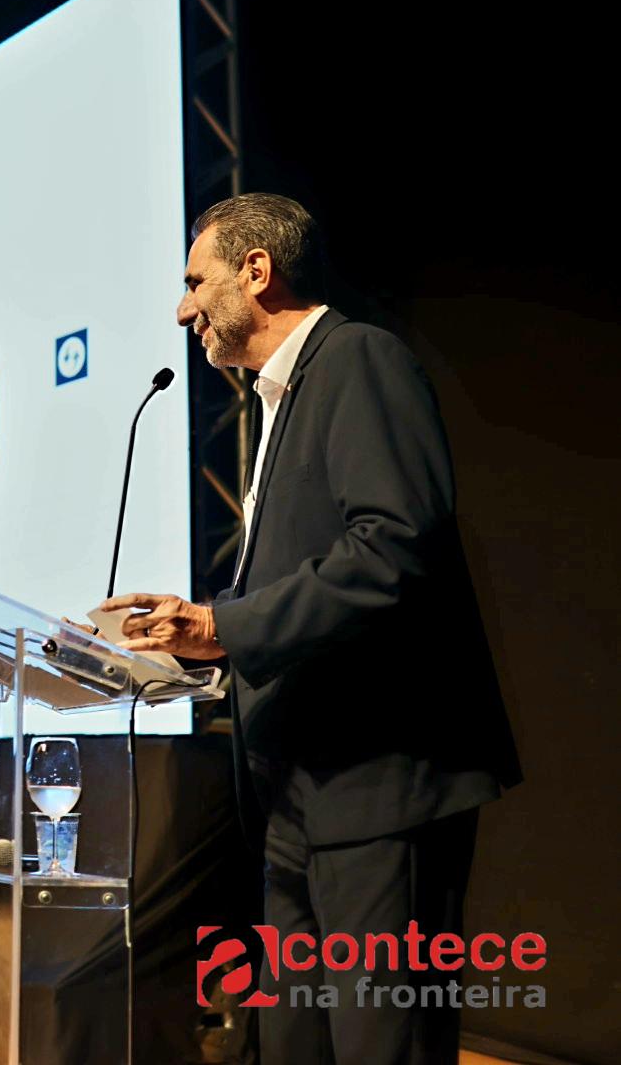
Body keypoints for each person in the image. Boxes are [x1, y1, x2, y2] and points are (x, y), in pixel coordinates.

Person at [101, 193, 520, 1064]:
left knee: (381, 1046)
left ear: (257, 272)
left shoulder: (358, 360)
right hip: (297, 801)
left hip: (377, 790)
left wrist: (226, 623)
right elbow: (307, 584)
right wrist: (195, 642)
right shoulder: (282, 400)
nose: (182, 307)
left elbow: (394, 548)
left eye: (194, 281)